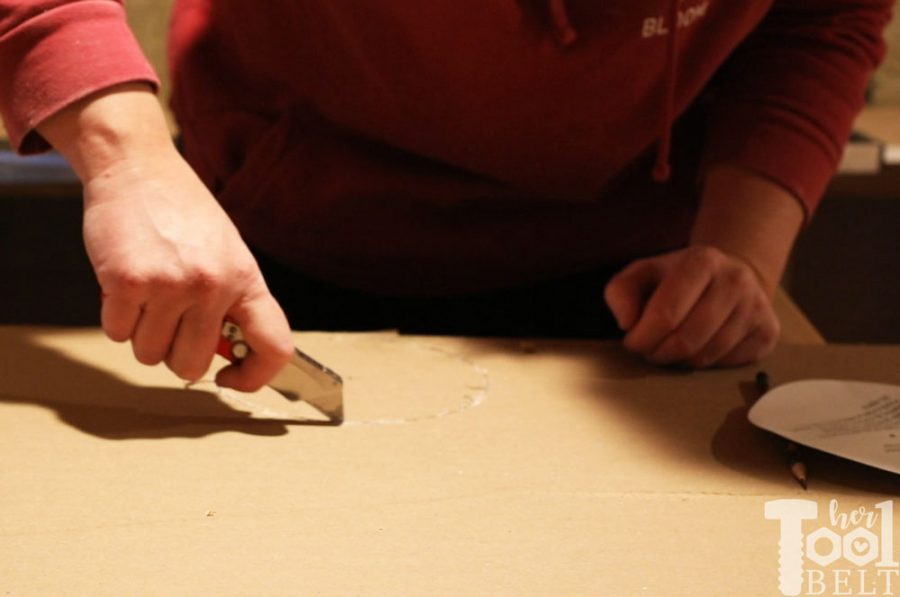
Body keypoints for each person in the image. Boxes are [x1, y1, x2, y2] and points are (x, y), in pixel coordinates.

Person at [0, 1, 892, 391]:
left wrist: (741, 251)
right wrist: (128, 162)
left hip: (646, 285)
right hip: (273, 233)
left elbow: (819, 17)